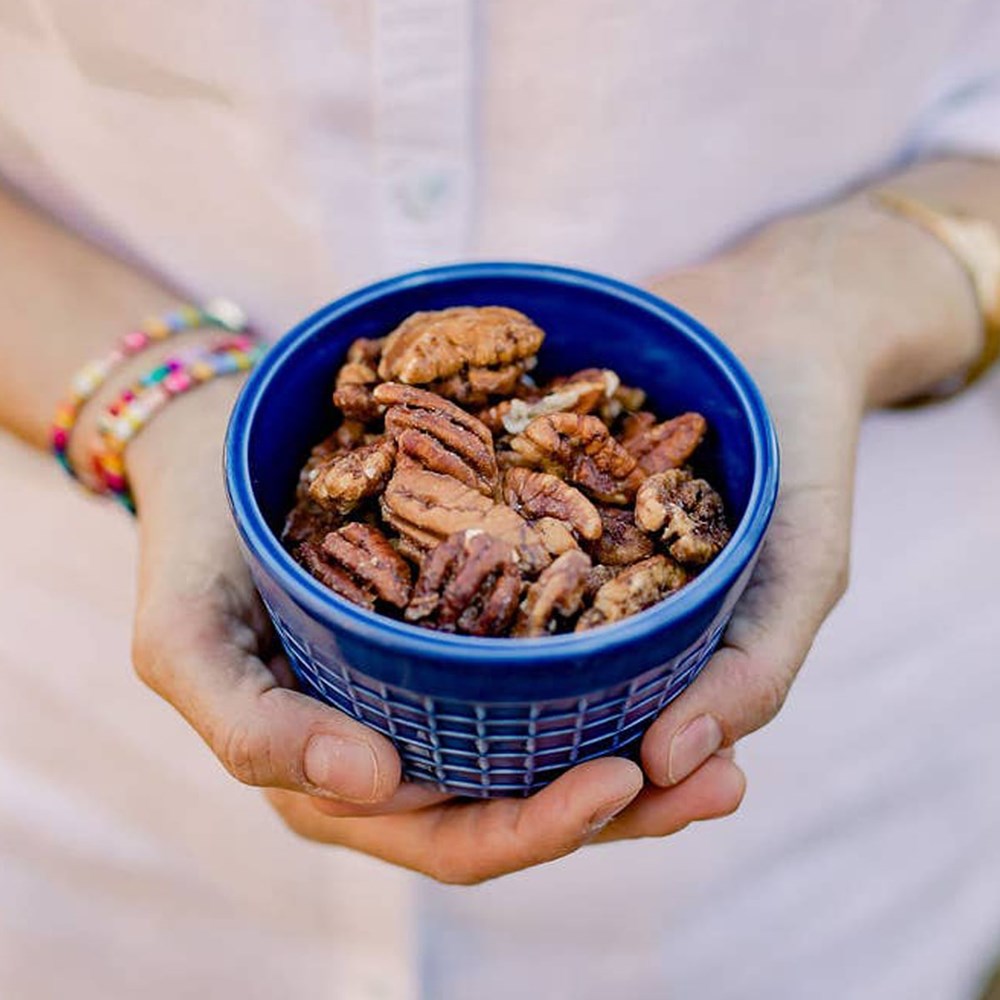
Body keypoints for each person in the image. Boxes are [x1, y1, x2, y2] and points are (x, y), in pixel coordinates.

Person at [2, 3, 999, 997]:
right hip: (124, 804)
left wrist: (845, 292)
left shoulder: (560, 487)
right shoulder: (414, 471)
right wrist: (153, 401)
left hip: (815, 810)